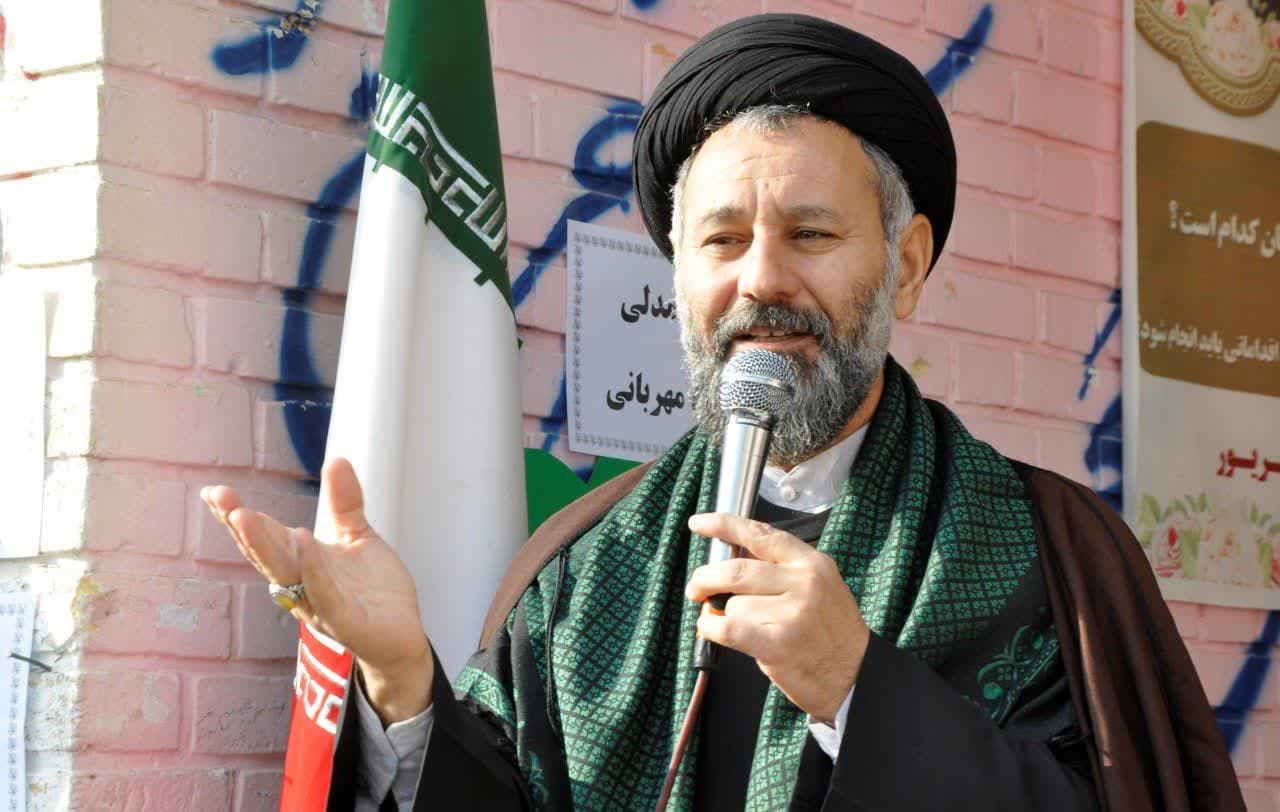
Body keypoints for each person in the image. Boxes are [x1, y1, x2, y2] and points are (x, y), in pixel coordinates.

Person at [201, 14, 1243, 811]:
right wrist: (399, 672)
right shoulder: (583, 563)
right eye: (722, 240)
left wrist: (857, 688)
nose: (762, 280)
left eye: (810, 234)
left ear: (907, 264)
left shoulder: (1045, 553)